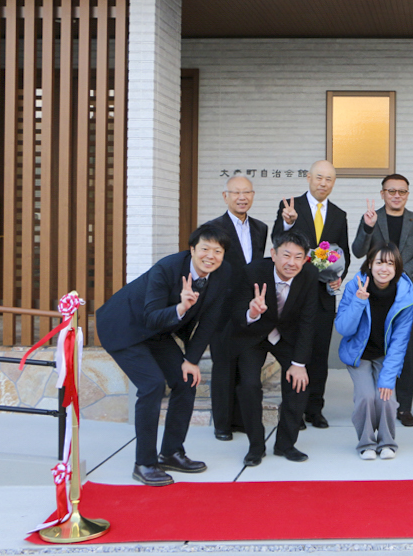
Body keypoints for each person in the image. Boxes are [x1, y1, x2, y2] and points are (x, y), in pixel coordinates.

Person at [95, 224, 233, 486]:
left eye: (218, 251)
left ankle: (171, 452)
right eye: (204, 248)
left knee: (186, 380)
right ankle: (144, 463)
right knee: (152, 385)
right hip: (125, 326)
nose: (210, 256)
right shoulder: (166, 268)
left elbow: (210, 322)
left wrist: (191, 361)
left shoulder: (223, 273)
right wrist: (180, 307)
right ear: (192, 249)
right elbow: (150, 315)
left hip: (157, 332)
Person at [230, 230, 318, 467]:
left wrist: (299, 364)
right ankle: (255, 446)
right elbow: (237, 315)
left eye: (299, 257)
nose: (292, 262)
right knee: (248, 385)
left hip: (287, 336)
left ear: (306, 259)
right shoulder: (252, 272)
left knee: (299, 385)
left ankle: (285, 444)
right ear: (273, 254)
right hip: (254, 334)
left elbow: (309, 320)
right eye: (286, 255)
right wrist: (252, 313)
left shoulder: (310, 275)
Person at [272, 159, 350, 429]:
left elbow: (343, 254)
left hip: (322, 295)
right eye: (319, 177)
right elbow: (277, 244)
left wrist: (337, 275)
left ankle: (315, 409)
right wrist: (287, 225)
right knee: (294, 352)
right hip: (292, 293)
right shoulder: (290, 207)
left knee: (318, 353)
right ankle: (295, 409)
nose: (323, 183)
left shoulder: (339, 215)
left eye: (329, 179)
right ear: (308, 177)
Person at [351, 174, 413, 427]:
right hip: (373, 296)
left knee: (404, 352)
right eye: (391, 191)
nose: (397, 195)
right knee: (377, 350)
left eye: (402, 191)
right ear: (382, 193)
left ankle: (403, 406)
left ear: (407, 194)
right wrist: (367, 227)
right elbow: (358, 251)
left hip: (406, 296)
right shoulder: (373, 218)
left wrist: (399, 271)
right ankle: (378, 398)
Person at [335, 244, 413, 459]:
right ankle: (366, 444)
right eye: (380, 262)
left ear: (397, 267)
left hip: (385, 354)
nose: (384, 268)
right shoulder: (356, 286)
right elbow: (343, 328)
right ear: (370, 264)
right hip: (358, 353)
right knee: (365, 397)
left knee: (386, 397)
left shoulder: (405, 295)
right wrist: (358, 302)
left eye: (390, 263)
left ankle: (387, 442)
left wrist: (388, 378)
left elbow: (400, 341)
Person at [206, 175, 269, 441]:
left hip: (250, 308)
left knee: (247, 367)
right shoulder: (213, 228)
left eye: (247, 192)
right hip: (221, 308)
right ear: (225, 196)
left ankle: (242, 420)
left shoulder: (261, 228)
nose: (242, 197)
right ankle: (222, 424)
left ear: (253, 195)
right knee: (223, 367)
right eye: (236, 193)